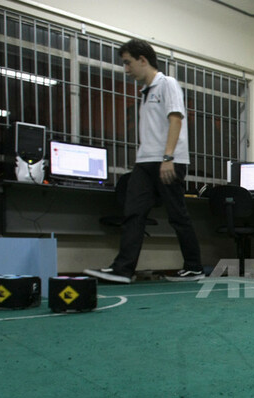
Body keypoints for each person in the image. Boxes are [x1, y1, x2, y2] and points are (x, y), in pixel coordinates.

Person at [85, 39, 203, 284]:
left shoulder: (167, 83)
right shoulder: (145, 93)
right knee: (133, 214)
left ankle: (194, 267)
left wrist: (168, 157)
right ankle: (122, 270)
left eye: (128, 63)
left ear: (143, 60)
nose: (126, 69)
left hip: (168, 160)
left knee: (177, 215)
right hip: (145, 162)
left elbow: (176, 119)